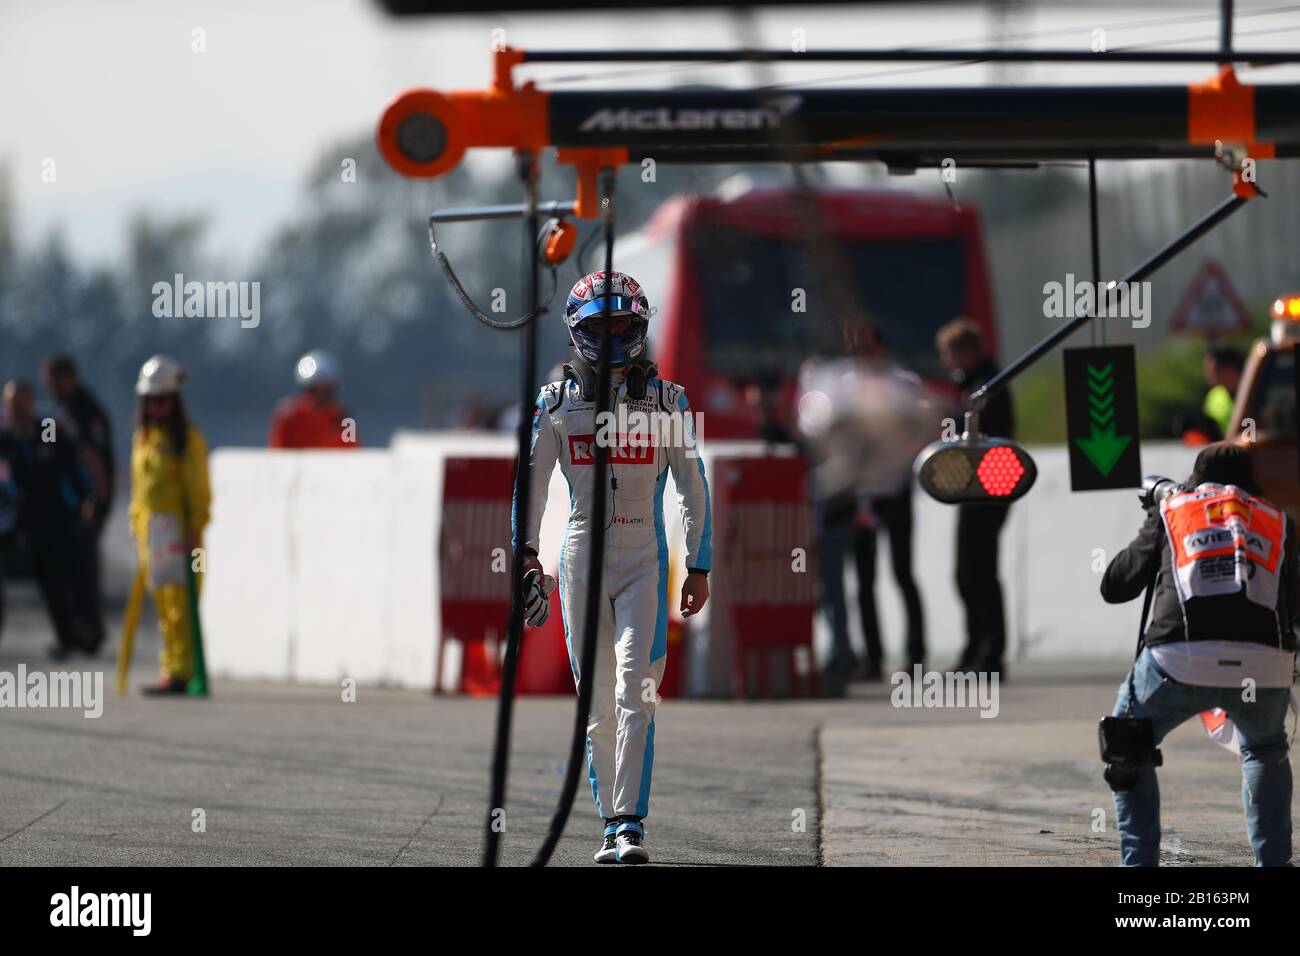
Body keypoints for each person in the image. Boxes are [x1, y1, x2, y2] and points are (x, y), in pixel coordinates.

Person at [515, 270, 712, 865]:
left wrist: (699, 565)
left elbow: (693, 486)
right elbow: (531, 486)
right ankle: (609, 822)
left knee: (637, 689)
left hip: (645, 558)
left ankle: (630, 823)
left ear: (641, 326)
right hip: (579, 559)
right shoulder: (554, 404)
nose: (613, 336)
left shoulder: (668, 401)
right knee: (595, 700)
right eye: (601, 325)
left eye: (623, 324)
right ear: (578, 330)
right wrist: (527, 557)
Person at [1100, 442, 1297, 866]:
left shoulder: (1176, 508)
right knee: (1264, 750)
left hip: (1177, 662)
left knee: (1127, 747)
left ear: (1195, 478)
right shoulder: (1277, 519)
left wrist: (1155, 518)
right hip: (1265, 668)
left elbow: (1116, 584)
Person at [0, 380, 106, 658]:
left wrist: (88, 498)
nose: (17, 409)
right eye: (11, 404)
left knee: (69, 576)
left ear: (30, 402)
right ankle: (66, 636)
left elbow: (70, 462)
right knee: (46, 579)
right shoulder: (7, 437)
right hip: (26, 519)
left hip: (59, 515)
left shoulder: (46, 429)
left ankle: (86, 633)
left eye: (21, 402)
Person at [129, 356, 211, 696]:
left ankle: (185, 671)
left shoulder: (188, 441)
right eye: (151, 401)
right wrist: (137, 526)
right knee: (163, 603)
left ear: (174, 402)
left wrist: (195, 529)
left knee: (183, 605)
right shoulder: (144, 439)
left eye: (163, 400)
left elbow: (199, 491)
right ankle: (172, 668)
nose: (157, 407)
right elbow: (140, 490)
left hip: (184, 534)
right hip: (154, 534)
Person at [936, 318, 1015, 675]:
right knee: (968, 572)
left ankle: (990, 651)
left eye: (949, 354)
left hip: (988, 486)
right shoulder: (975, 385)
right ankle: (977, 646)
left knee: (979, 571)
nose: (946, 362)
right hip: (976, 487)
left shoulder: (987, 388)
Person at [41, 353, 114, 631]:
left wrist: (95, 501)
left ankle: (90, 629)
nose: (48, 387)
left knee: (84, 567)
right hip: (76, 501)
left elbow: (93, 459)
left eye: (52, 381)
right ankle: (80, 627)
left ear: (66, 378)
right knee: (72, 565)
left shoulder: (84, 410)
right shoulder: (65, 409)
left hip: (89, 501)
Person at [268, 350, 360, 449]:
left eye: (326, 390)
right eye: (314, 390)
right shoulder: (289, 416)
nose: (320, 396)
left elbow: (352, 452)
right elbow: (278, 451)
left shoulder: (344, 418)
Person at [1202, 345, 1244, 439]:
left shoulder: (1255, 392)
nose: (1208, 374)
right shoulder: (1214, 396)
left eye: (1212, 369)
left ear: (1229, 369)